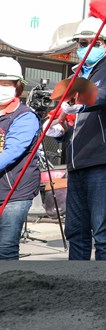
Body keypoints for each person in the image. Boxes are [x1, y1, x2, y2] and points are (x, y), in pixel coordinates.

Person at [49, 18, 106, 261]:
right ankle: (77, 282)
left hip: (102, 162)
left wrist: (81, 103)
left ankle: (105, 287)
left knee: (102, 230)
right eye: (80, 43)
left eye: (89, 43)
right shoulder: (71, 80)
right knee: (76, 230)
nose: (84, 48)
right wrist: (60, 129)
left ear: (103, 44)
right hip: (76, 164)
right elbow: (67, 117)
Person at [0, 58, 40, 260]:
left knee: (5, 247)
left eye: (6, 84)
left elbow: (12, 151)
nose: (1, 88)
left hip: (15, 190)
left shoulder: (25, 116)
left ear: (17, 86)